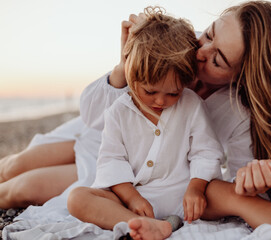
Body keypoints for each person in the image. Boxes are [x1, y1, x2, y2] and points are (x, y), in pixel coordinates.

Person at [0, 1, 271, 240]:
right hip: (105, 138)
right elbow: (95, 119)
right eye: (209, 34)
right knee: (14, 163)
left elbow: (232, 180)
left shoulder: (234, 112)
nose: (200, 53)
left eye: (218, 60)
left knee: (17, 190)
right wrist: (128, 63)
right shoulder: (170, 57)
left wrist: (249, 180)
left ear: (244, 77)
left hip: (123, 172)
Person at [67, 7, 223, 237]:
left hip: (184, 196)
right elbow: (112, 161)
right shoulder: (118, 111)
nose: (161, 101)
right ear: (132, 72)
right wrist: (132, 198)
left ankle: (159, 222)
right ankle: (146, 224)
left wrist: (196, 189)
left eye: (173, 93)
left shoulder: (191, 104)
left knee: (228, 193)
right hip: (135, 199)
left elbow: (206, 151)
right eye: (150, 91)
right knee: (77, 198)